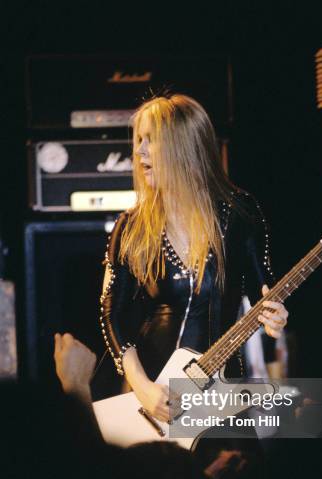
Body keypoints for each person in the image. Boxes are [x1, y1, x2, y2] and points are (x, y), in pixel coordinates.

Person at [100, 94, 288, 423]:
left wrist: (278, 316)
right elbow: (110, 313)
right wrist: (142, 387)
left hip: (223, 392)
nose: (139, 151)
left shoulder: (239, 213)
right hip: (153, 398)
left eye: (150, 140)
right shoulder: (131, 226)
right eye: (138, 140)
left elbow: (266, 289)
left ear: (183, 145)